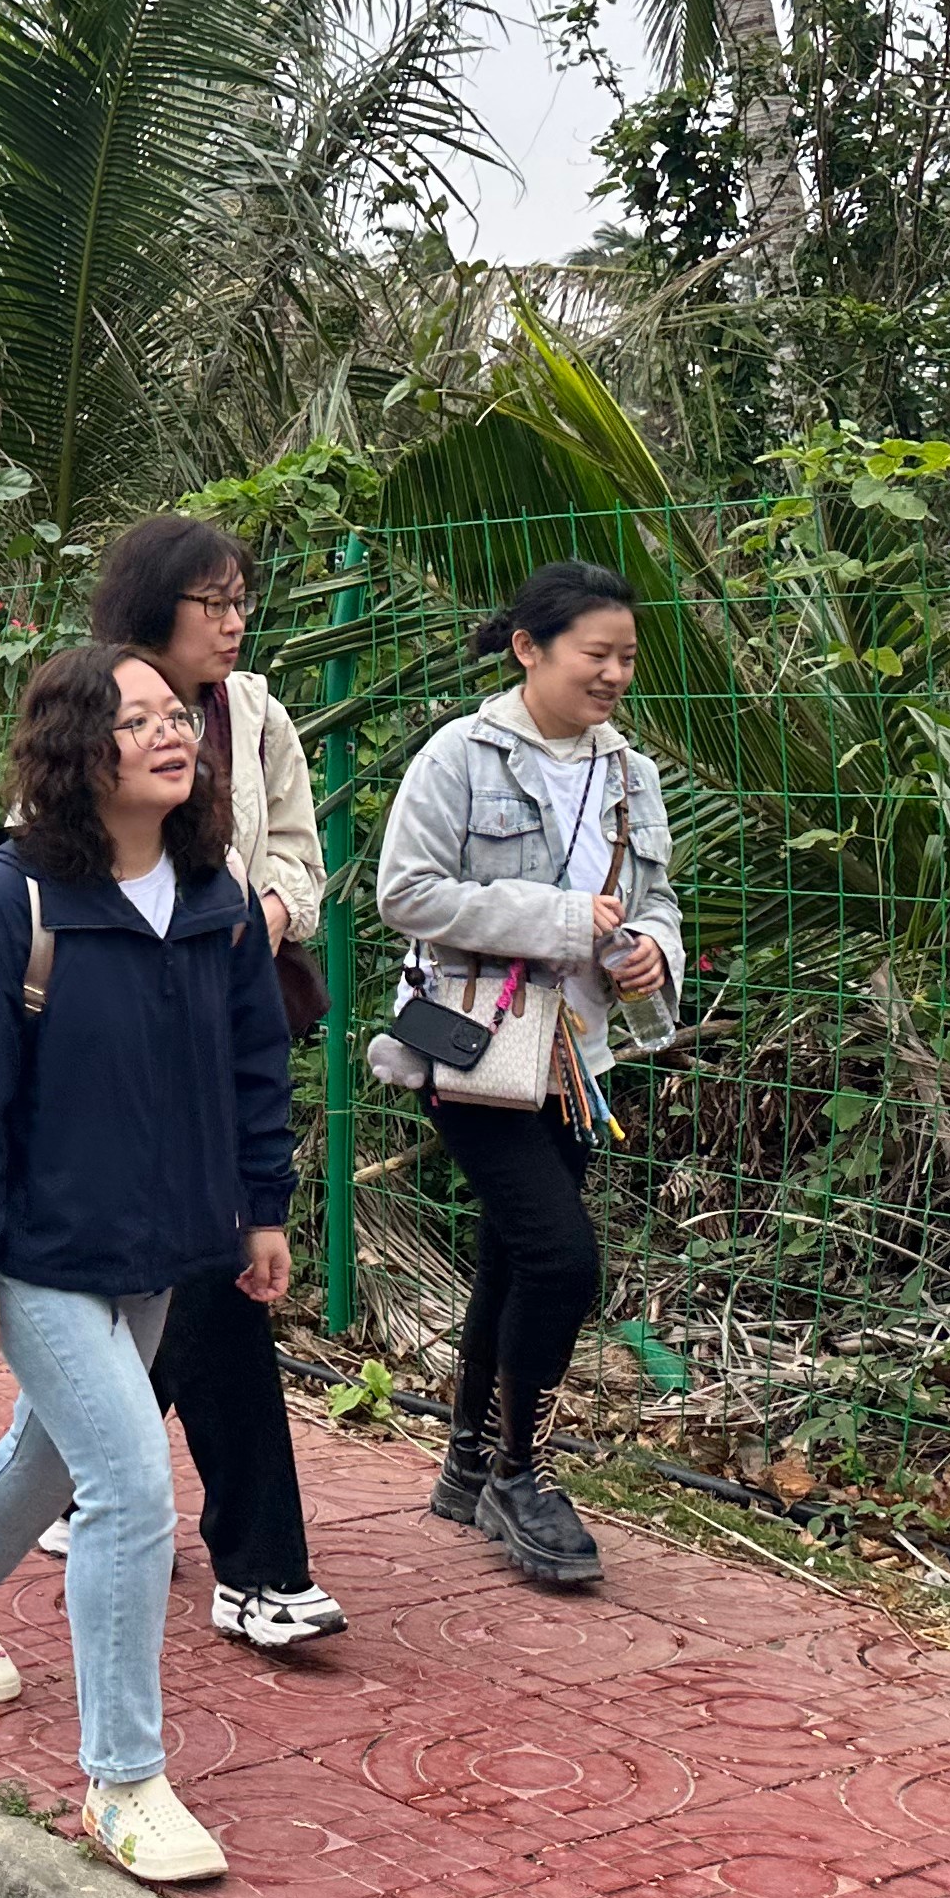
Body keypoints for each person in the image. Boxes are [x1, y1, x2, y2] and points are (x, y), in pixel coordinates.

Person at [0, 645, 296, 1886]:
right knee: (129, 1485)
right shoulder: (13, 906)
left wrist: (262, 1208)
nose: (172, 734)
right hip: (34, 1248)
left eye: (178, 717)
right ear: (79, 751)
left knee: (63, 1446)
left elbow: (253, 1071)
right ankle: (124, 1782)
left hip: (162, 1239)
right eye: (138, 721)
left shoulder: (215, 896)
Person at [371, 558, 681, 1591]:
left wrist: (649, 950)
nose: (614, 676)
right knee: (561, 1260)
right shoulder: (459, 756)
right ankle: (522, 1472)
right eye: (597, 655)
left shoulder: (630, 773)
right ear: (528, 649)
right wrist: (555, 920)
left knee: (513, 1253)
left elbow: (658, 901)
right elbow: (404, 892)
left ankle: (466, 1461)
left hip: (576, 1056)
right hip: (472, 1049)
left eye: (627, 658)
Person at [68, 516, 342, 1652]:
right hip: (129, 1038)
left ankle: (72, 1487)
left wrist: (257, 920)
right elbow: (68, 858)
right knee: (207, 1281)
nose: (234, 622)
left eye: (242, 600)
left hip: (230, 1021)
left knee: (174, 1289)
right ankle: (262, 1566)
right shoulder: (99, 709)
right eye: (211, 601)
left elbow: (302, 864)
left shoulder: (259, 715)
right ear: (153, 606)